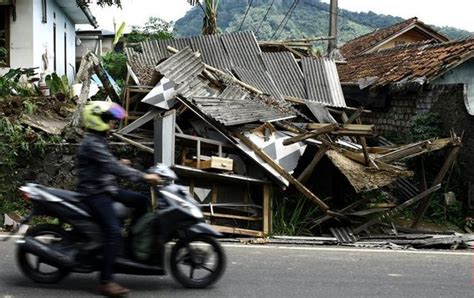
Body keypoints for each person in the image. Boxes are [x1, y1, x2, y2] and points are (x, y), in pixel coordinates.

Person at [77, 101, 161, 296]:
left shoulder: (98, 139)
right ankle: (106, 281)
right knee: (113, 231)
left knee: (141, 200)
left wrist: (119, 161)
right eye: (110, 120)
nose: (113, 124)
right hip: (95, 193)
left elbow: (105, 163)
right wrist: (143, 176)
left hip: (106, 188)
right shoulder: (92, 142)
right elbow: (111, 167)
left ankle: (132, 245)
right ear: (99, 121)